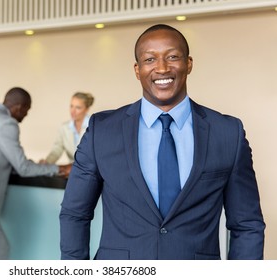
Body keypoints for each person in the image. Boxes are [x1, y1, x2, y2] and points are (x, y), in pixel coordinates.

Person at [60, 24, 265, 260]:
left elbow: (247, 225)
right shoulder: (102, 130)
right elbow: (75, 214)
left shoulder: (228, 133)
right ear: (137, 70)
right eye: (150, 59)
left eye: (172, 57)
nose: (162, 68)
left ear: (189, 63)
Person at [0, 87, 71, 260]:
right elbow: (22, 167)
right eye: (27, 110)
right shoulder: (5, 123)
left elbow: (9, 161)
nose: (26, 115)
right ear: (20, 107)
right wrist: (60, 169)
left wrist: (41, 166)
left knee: (0, 250)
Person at [43, 92, 94, 164]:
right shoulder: (64, 128)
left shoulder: (94, 127)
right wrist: (47, 162)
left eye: (78, 107)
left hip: (90, 170)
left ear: (87, 109)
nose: (73, 111)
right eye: (71, 106)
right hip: (72, 169)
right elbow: (57, 149)